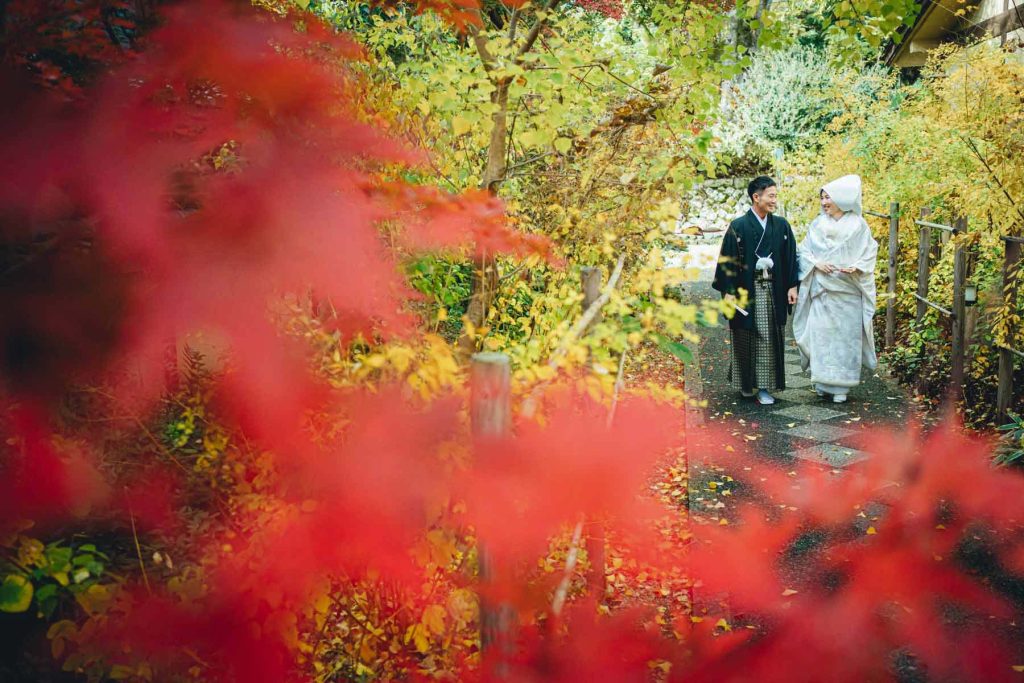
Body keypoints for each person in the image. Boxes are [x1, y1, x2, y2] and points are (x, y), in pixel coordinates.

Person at [712, 176, 800, 405]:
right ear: (756, 197)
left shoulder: (781, 225)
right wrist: (729, 291)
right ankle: (746, 383)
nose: (774, 200)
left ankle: (763, 386)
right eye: (770, 196)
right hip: (746, 289)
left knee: (769, 337)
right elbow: (727, 261)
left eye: (775, 196)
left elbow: (790, 257)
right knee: (745, 334)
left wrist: (792, 285)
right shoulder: (738, 226)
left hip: (773, 290)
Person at [792, 174, 878, 404]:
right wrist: (816, 263)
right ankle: (821, 382)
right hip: (823, 290)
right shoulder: (817, 224)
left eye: (828, 197)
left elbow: (869, 251)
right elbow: (804, 251)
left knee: (844, 340)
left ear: (842, 198)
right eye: (822, 198)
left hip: (848, 293)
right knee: (821, 337)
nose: (824, 202)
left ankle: (841, 386)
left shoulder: (858, 225)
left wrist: (857, 267)